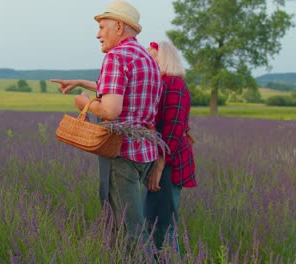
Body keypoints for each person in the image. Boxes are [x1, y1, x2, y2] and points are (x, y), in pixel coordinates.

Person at [51, 0, 163, 256]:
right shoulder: (147, 58)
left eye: (102, 27)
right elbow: (127, 91)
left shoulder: (116, 56)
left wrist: (84, 102)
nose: (98, 33)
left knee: (129, 230)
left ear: (119, 27)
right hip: (143, 152)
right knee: (130, 226)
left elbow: (111, 110)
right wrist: (81, 81)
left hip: (120, 153)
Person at [143, 40, 197, 253]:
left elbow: (173, 130)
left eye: (152, 56)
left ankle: (170, 257)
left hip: (170, 161)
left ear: (164, 60)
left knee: (164, 221)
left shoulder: (174, 85)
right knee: (154, 217)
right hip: (160, 158)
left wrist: (159, 164)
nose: (147, 60)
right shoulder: (160, 83)